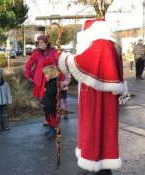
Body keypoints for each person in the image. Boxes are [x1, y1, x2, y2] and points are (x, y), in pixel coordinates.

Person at [58, 19, 127, 174]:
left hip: (98, 98)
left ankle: (97, 164)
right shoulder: (108, 44)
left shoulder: (101, 44)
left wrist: (63, 58)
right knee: (101, 129)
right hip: (100, 95)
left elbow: (83, 63)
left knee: (96, 127)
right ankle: (99, 164)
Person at [25, 35, 59, 126]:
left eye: (42, 42)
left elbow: (58, 65)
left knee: (51, 102)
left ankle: (53, 121)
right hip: (40, 81)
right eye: (39, 43)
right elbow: (28, 65)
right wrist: (28, 76)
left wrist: (62, 80)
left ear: (47, 43)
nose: (40, 44)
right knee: (44, 102)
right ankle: (47, 119)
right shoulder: (36, 53)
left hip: (51, 81)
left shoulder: (54, 52)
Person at [41, 65, 59, 138]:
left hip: (51, 104)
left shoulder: (54, 82)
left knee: (52, 119)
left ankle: (53, 131)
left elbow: (50, 93)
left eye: (46, 74)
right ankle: (50, 129)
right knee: (48, 118)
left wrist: (45, 91)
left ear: (50, 74)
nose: (45, 76)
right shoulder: (49, 82)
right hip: (47, 104)